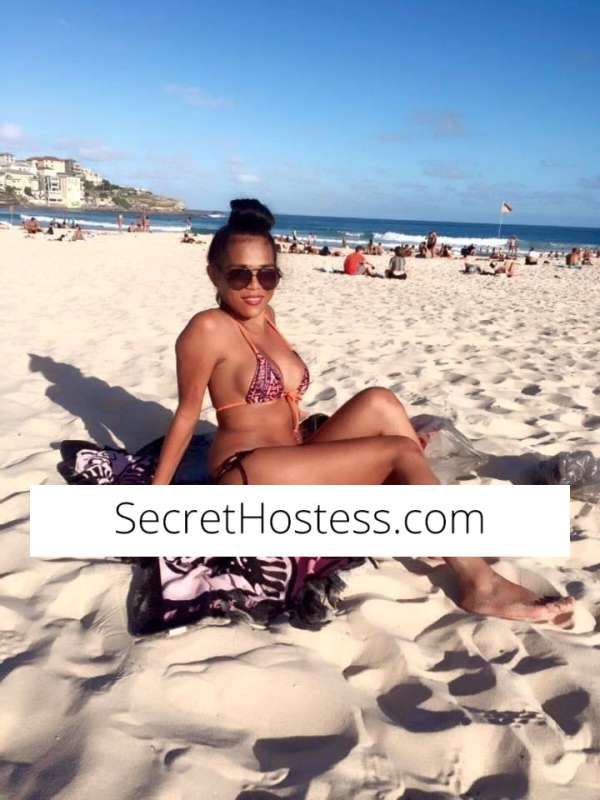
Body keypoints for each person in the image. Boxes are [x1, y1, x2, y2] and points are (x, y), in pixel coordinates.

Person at [150, 198, 573, 622]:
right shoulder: (207, 328)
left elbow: (283, 402)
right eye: (239, 274)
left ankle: (433, 523)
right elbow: (186, 414)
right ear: (214, 274)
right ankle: (479, 584)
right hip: (246, 472)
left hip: (292, 455)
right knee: (399, 451)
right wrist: (158, 500)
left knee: (379, 400)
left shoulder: (268, 316)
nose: (255, 285)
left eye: (268, 274)